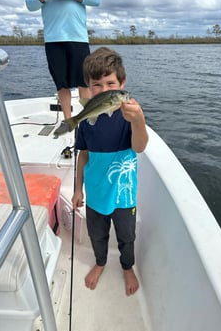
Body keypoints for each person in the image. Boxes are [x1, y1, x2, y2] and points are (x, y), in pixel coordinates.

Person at [72, 47, 149, 296]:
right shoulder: (85, 119)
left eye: (110, 83)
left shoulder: (130, 115)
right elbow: (83, 156)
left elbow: (139, 146)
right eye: (97, 84)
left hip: (123, 194)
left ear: (122, 83)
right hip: (95, 193)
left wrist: (139, 120)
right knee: (97, 234)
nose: (104, 90)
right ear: (89, 87)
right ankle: (101, 262)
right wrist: (76, 189)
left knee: (127, 235)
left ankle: (127, 266)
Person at [25, 0, 101, 119]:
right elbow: (30, 4)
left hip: (79, 38)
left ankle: (89, 123)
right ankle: (68, 121)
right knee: (61, 85)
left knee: (85, 83)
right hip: (53, 39)